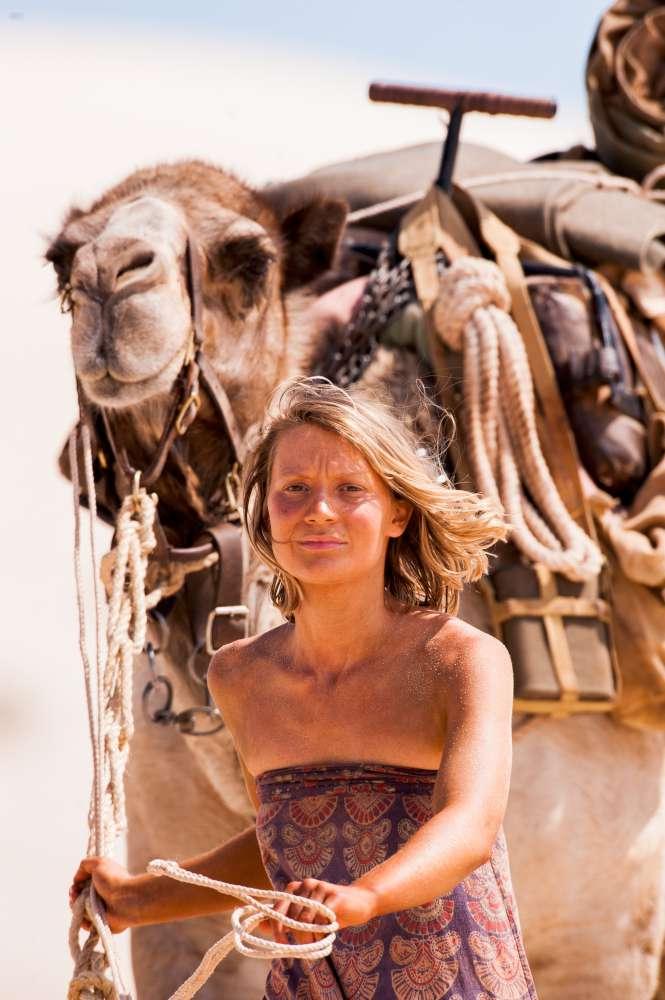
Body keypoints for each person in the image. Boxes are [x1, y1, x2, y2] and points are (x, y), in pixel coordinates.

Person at [71, 377, 538, 999]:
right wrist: (143, 899)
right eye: (294, 489)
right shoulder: (240, 676)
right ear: (266, 512)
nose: (319, 510)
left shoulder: (460, 659)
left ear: (398, 513)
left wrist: (364, 898)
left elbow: (471, 824)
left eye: (350, 489)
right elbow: (283, 836)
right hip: (308, 985)